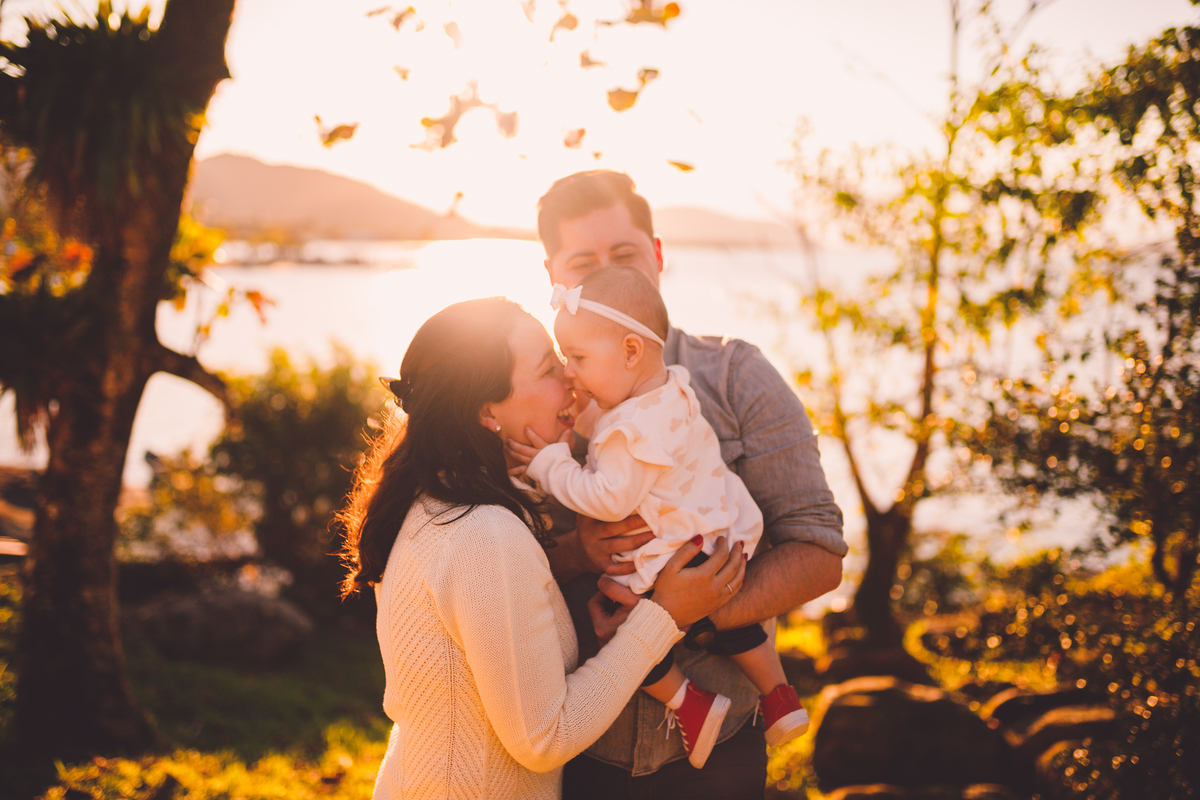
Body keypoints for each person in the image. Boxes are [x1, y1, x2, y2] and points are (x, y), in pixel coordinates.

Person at [337, 296, 747, 800]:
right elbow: (543, 737)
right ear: (488, 410)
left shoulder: (435, 501)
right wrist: (663, 616)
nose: (571, 378)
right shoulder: (484, 534)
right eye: (549, 366)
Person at [534, 171, 848, 799]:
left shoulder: (736, 377)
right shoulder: (533, 392)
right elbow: (490, 557)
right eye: (581, 263)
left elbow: (820, 553)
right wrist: (576, 552)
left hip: (723, 758)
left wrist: (695, 608)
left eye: (622, 255)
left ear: (655, 255)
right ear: (553, 277)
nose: (603, 275)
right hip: (573, 749)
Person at [507, 267, 811, 770]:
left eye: (578, 358)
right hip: (715, 534)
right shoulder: (669, 388)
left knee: (625, 626)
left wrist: (550, 464)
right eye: (564, 359)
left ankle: (691, 705)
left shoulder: (631, 431)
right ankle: (778, 695)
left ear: (630, 352)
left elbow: (606, 498)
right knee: (743, 627)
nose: (569, 373)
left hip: (670, 551)